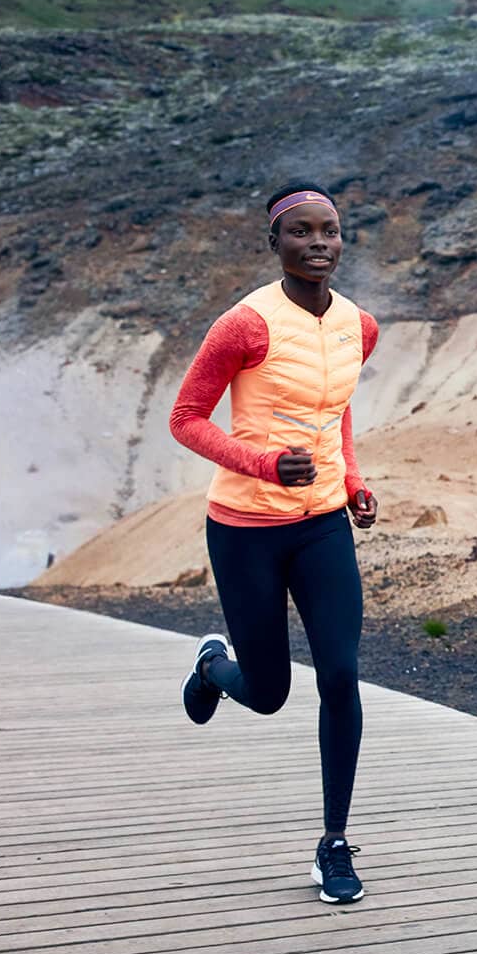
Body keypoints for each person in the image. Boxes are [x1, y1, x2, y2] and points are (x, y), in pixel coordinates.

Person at [170, 181, 380, 904]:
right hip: (244, 532)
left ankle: (333, 844)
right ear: (275, 242)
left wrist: (350, 480)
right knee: (266, 692)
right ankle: (212, 667)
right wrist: (261, 464)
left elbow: (337, 411)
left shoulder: (360, 325)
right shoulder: (244, 325)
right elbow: (187, 417)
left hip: (321, 526)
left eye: (331, 230)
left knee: (340, 677)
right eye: (302, 232)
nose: (319, 242)